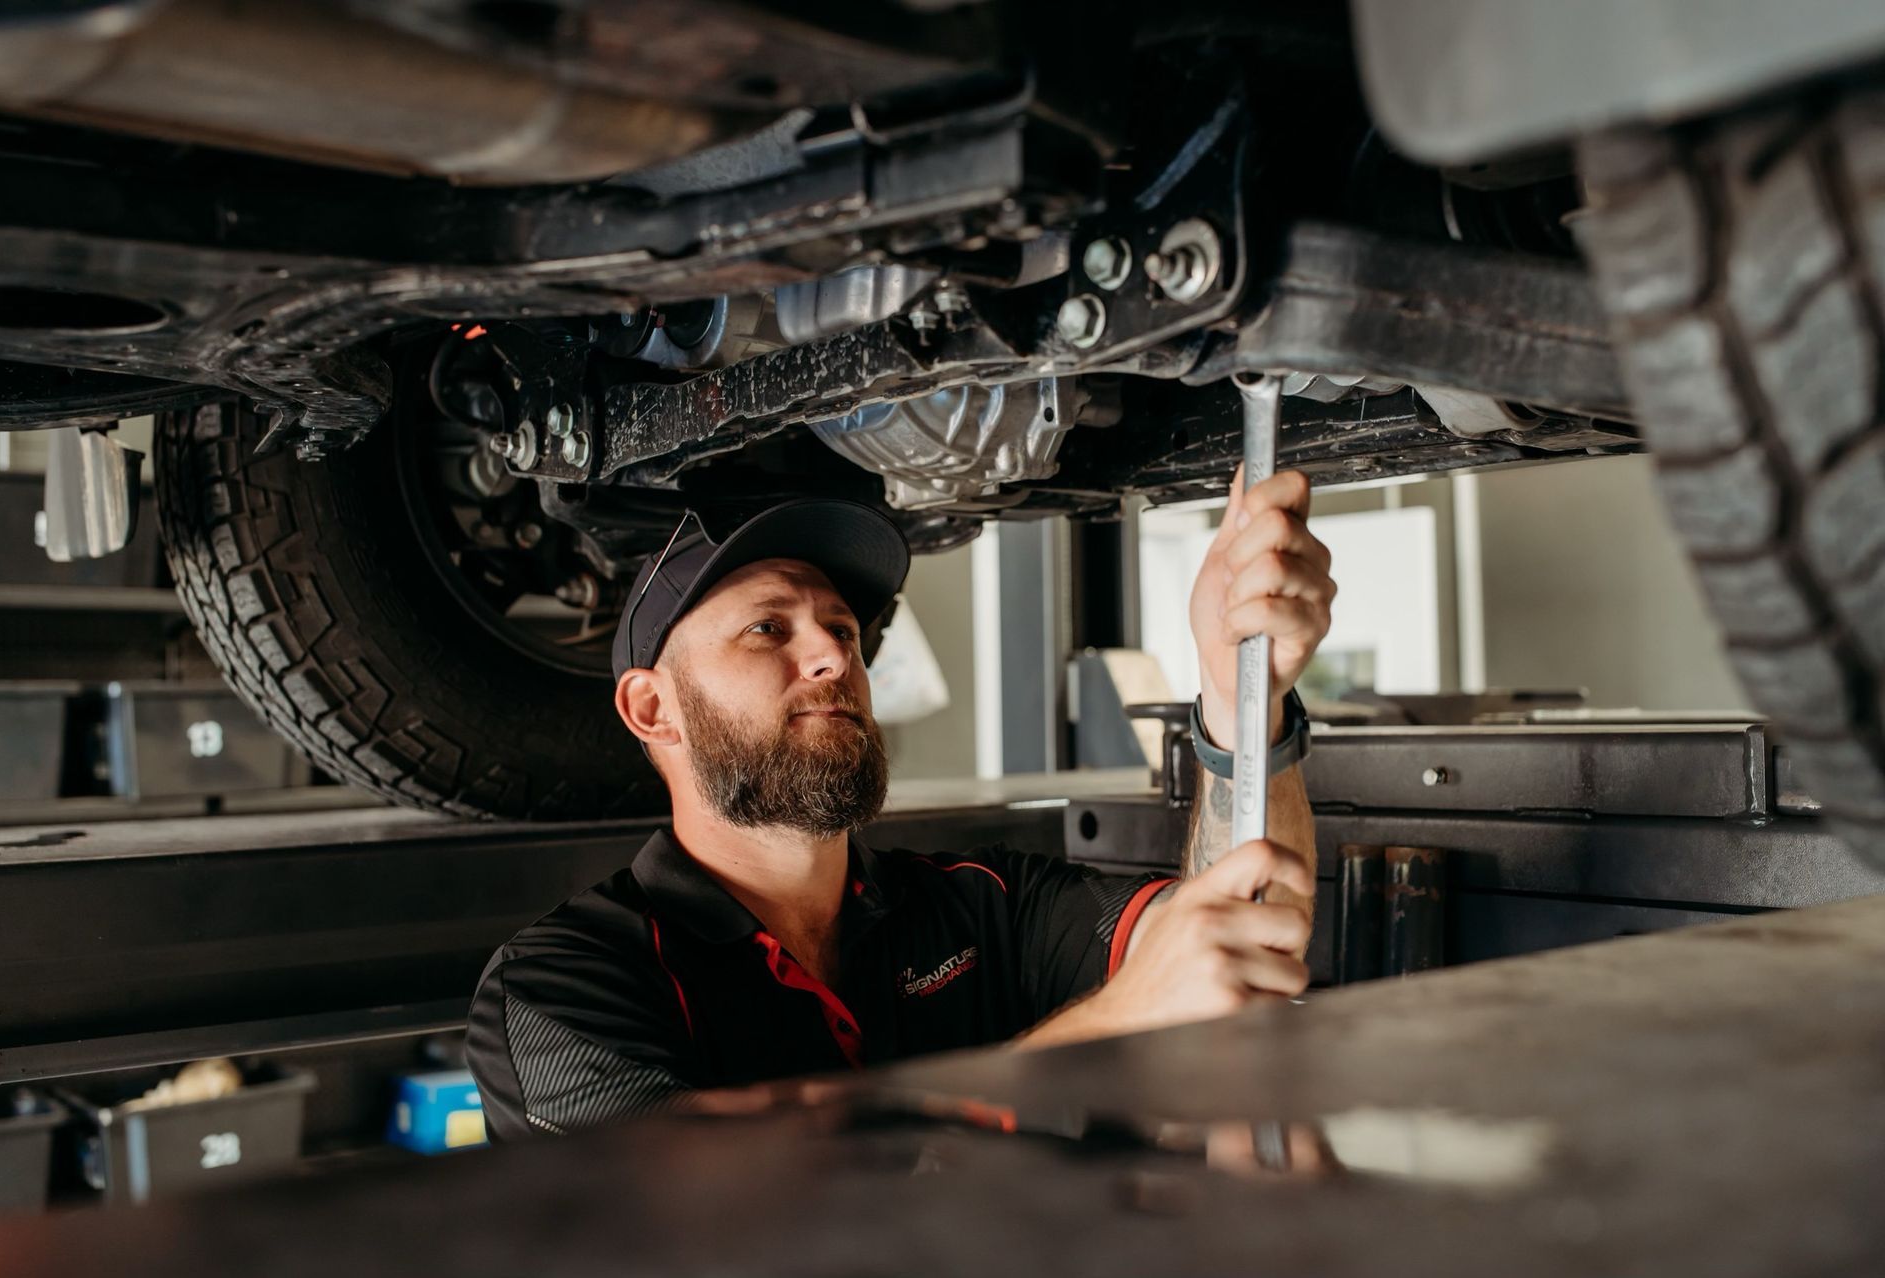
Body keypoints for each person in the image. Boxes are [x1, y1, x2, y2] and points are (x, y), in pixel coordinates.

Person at [466, 467, 1335, 1139]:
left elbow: (1246, 929)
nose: (833, 659)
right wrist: (1112, 1020)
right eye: (768, 627)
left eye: (842, 630)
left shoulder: (979, 904)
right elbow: (720, 1226)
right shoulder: (560, 986)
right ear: (653, 710)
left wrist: (1239, 696)